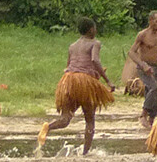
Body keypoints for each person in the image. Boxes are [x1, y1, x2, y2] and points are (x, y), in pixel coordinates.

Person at [38, 17, 116, 154]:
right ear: (91, 29)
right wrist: (107, 80)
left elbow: (68, 66)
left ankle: (48, 127)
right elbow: (95, 60)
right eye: (95, 28)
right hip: (84, 82)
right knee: (89, 120)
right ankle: (85, 153)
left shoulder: (72, 46)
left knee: (65, 119)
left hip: (68, 80)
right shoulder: (95, 43)